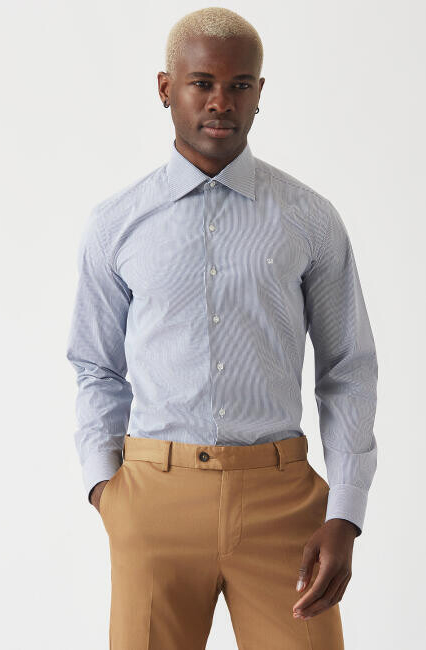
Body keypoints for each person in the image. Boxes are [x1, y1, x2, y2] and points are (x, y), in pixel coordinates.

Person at [66, 7, 378, 649]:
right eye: (202, 83)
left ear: (259, 92)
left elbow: (347, 367)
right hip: (153, 500)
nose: (220, 102)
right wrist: (107, 489)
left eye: (239, 85)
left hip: (283, 504)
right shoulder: (117, 223)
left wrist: (346, 512)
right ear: (166, 88)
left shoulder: (309, 218)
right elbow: (95, 365)